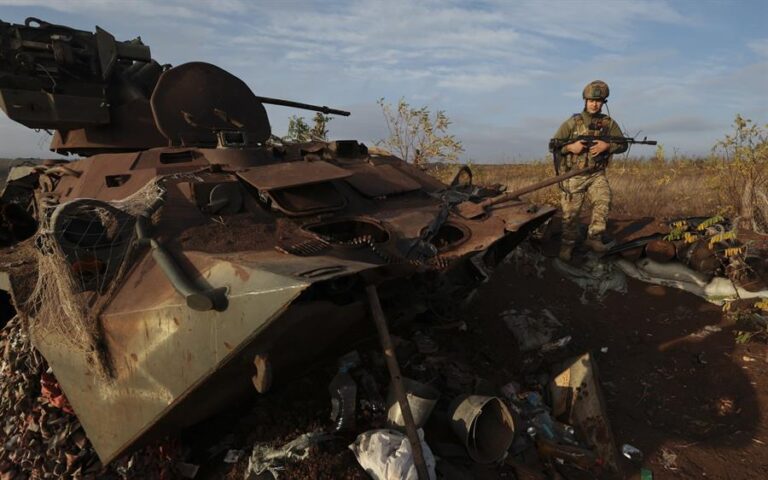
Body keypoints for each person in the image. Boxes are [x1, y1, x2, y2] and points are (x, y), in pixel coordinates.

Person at [551, 80, 627, 261]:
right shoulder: (572, 123)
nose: (595, 104)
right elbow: (553, 144)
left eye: (599, 101)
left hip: (596, 174)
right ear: (585, 101)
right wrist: (571, 147)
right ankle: (567, 246)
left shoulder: (608, 123)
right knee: (571, 215)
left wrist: (607, 146)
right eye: (591, 100)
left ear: (603, 103)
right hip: (573, 176)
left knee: (603, 201)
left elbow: (623, 144)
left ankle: (594, 238)